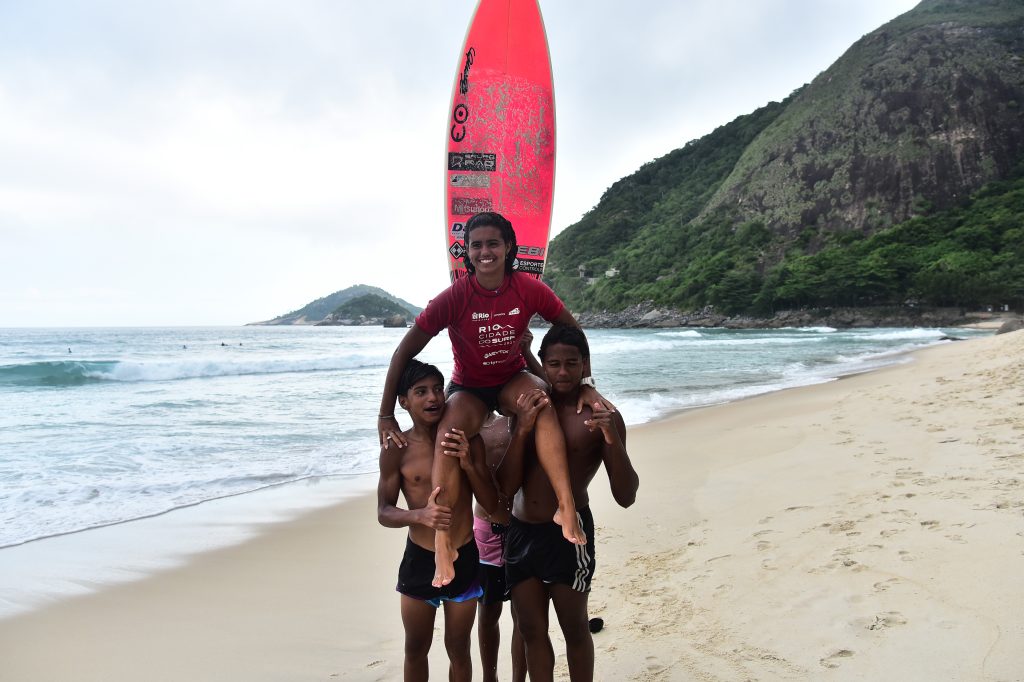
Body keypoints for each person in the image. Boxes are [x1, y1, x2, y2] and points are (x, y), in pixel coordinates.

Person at [378, 211, 603, 589]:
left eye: (493, 243)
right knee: (448, 437)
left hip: (510, 377)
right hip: (469, 386)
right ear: (466, 252)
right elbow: (403, 352)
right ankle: (443, 538)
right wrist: (385, 414)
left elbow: (571, 331)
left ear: (508, 247)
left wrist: (587, 383)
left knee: (540, 402)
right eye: (477, 245)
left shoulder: (527, 289)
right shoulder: (454, 298)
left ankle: (566, 507)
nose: (486, 252)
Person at [501, 325, 639, 682]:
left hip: (569, 535)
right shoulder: (526, 406)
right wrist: (523, 428)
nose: (563, 372)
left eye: (572, 364)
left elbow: (626, 496)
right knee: (531, 630)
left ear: (584, 365)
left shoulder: (600, 415)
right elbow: (507, 484)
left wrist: (612, 439)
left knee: (574, 627)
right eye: (554, 364)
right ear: (542, 365)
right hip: (521, 531)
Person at [377, 359, 500, 682]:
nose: (432, 398)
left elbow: (491, 504)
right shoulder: (397, 449)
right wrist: (420, 515)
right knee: (416, 647)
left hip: (464, 555)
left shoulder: (466, 440)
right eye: (421, 392)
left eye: (436, 389)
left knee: (459, 647)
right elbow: (384, 512)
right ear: (403, 401)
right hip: (420, 558)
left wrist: (470, 465)